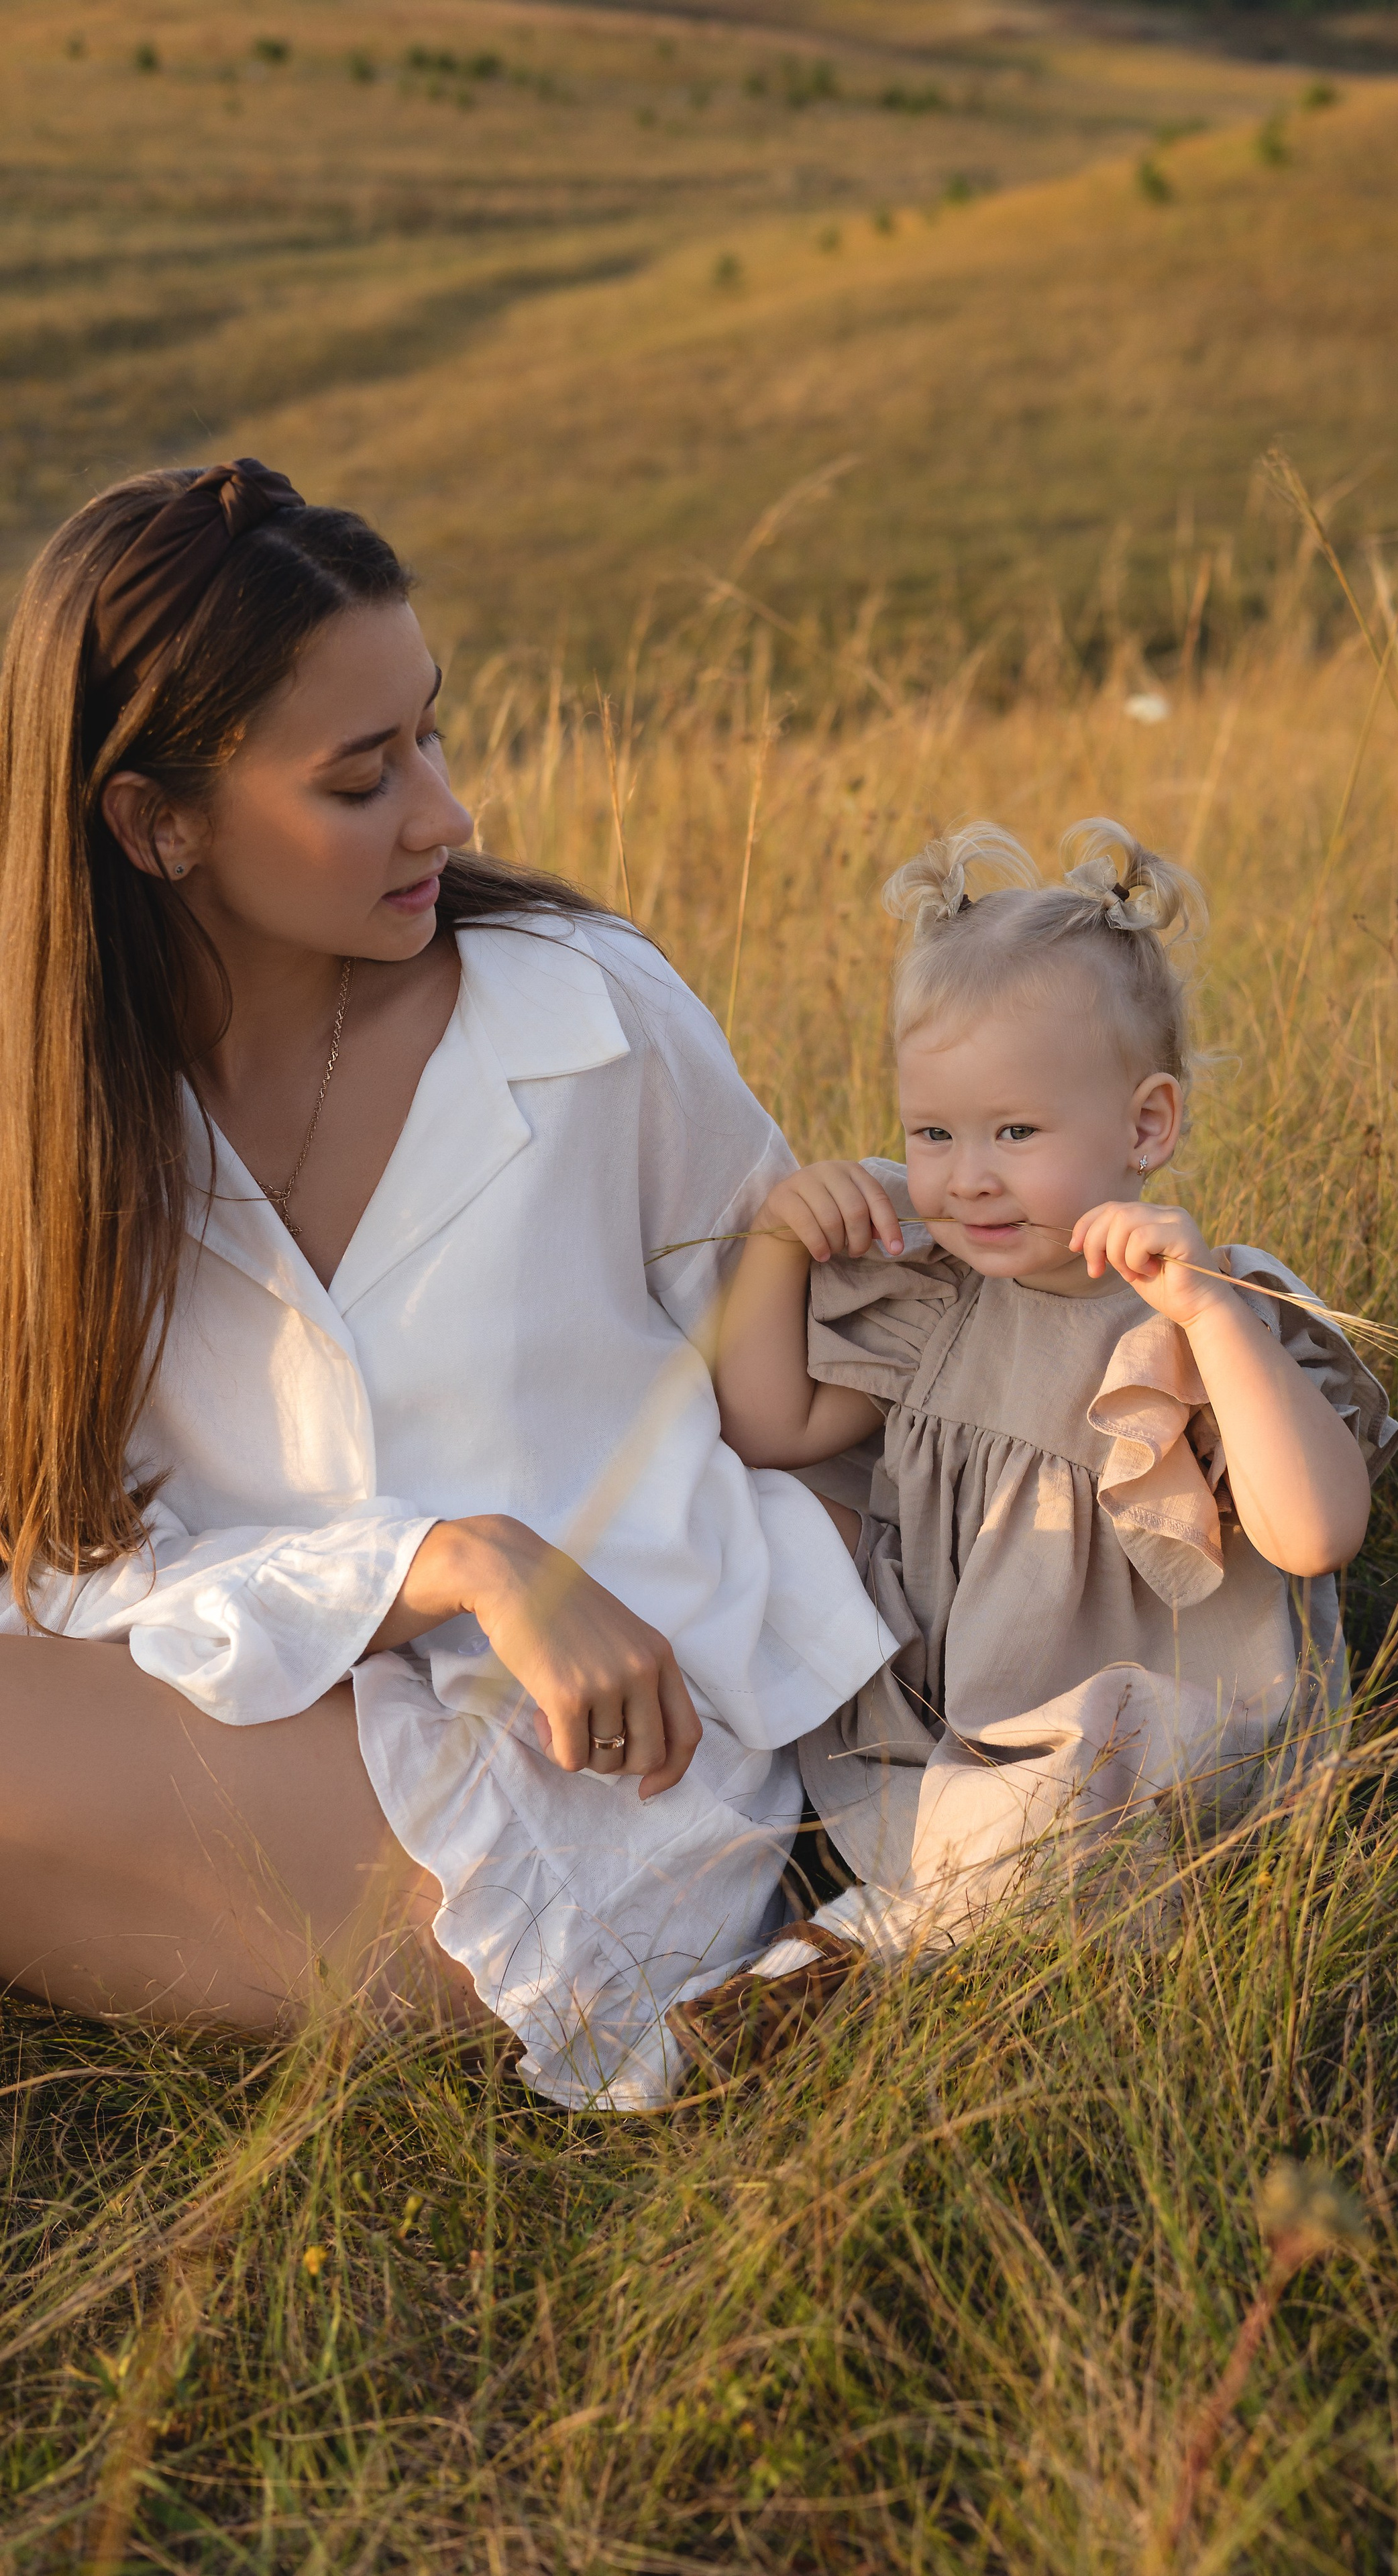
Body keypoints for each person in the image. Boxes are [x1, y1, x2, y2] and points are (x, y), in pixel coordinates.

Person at [0, 460, 896, 2109]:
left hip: (605, 1793)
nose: (446, 810)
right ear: (154, 822)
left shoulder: (581, 1016)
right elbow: (69, 1563)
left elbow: (802, 1407)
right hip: (259, 1757)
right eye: (362, 778)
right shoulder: (60, 1138)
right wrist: (449, 1559)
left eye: (429, 733)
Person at [684, 819, 1398, 2073]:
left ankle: (861, 1946)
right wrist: (778, 1246)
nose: (966, 1180)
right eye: (932, 1135)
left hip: (1154, 1723)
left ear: (1148, 1124)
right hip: (958, 1711)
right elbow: (768, 1427)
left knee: (1079, 1795)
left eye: (1015, 1133)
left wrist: (1217, 1321)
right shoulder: (946, 1303)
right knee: (818, 1686)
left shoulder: (1196, 1319)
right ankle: (896, 1910)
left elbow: (1317, 1531)